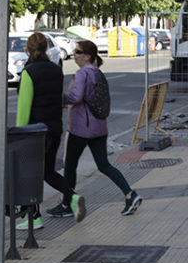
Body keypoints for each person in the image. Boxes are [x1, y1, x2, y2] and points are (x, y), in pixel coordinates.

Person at [49, 39, 142, 218]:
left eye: (77, 52)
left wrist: (57, 98)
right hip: (99, 127)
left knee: (70, 165)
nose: (74, 55)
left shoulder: (83, 73)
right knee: (104, 165)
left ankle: (67, 204)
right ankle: (130, 194)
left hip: (81, 128)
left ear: (87, 56)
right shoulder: (97, 72)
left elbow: (76, 98)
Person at [15, 32, 86, 228]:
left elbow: (24, 107)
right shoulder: (56, 70)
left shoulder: (29, 72)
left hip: (35, 132)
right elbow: (59, 99)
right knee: (47, 171)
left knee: (28, 173)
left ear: (28, 49)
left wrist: (19, 133)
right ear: (46, 48)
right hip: (55, 128)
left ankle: (33, 218)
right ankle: (72, 197)